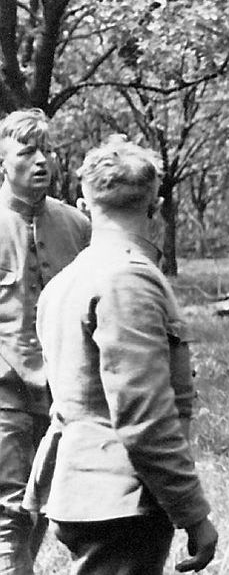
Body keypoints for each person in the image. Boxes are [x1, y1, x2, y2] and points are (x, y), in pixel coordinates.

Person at [23, 136, 217, 573]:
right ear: (157, 205)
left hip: (84, 490)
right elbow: (143, 418)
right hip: (121, 499)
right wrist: (193, 513)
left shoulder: (66, 281)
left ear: (85, 204)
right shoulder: (128, 279)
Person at [0, 109, 89, 575]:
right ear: (2, 164)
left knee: (42, 504)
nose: (41, 161)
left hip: (62, 396)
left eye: (46, 151)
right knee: (9, 510)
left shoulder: (77, 226)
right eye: (26, 151)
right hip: (5, 393)